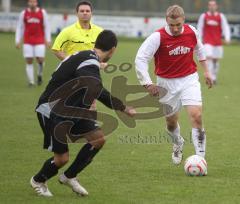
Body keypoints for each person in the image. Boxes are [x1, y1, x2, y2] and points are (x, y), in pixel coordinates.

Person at [30, 30, 136, 197]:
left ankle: (69, 176)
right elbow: (96, 89)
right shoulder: (89, 62)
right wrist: (123, 107)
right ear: (113, 49)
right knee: (61, 158)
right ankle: (38, 180)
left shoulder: (87, 57)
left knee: (98, 139)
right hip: (52, 110)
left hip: (73, 109)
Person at [135, 5, 213, 165]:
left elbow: (199, 49)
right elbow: (140, 58)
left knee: (197, 116)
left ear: (183, 20)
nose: (175, 28)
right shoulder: (157, 37)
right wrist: (147, 84)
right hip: (166, 84)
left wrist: (206, 71)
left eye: (178, 25)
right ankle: (177, 143)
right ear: (166, 21)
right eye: (172, 25)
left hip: (189, 79)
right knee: (171, 123)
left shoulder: (191, 31)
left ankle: (200, 159)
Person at [15, 0, 51, 86]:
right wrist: (17, 40)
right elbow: (20, 27)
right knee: (29, 60)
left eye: (34, 2)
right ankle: (31, 81)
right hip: (28, 41)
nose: (32, 3)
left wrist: (48, 40)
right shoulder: (24, 13)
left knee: (40, 60)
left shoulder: (42, 12)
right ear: (28, 3)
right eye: (30, 2)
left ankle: (39, 75)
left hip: (40, 41)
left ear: (36, 3)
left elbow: (47, 26)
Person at [197, 0, 231, 84]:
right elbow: (200, 28)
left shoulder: (220, 16)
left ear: (216, 6)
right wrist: (199, 40)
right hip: (207, 42)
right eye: (210, 5)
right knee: (209, 58)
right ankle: (210, 77)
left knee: (215, 61)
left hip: (217, 42)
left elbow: (225, 27)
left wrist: (227, 38)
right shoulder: (204, 16)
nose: (212, 6)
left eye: (213, 5)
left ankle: (214, 76)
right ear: (208, 6)